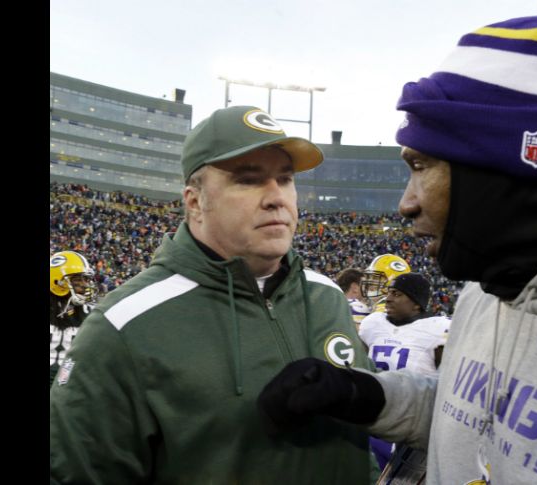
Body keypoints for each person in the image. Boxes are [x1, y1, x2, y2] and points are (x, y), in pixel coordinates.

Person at [257, 1, 537, 484]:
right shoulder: (485, 293)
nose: (405, 203)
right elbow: (471, 417)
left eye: (421, 166)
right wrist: (367, 396)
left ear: (508, 168)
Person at [50, 105, 376, 484]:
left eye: (285, 179)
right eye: (249, 180)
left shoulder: (326, 297)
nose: (277, 198)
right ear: (194, 202)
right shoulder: (124, 325)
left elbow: (358, 442)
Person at [358, 272, 451, 470]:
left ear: (416, 303)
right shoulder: (373, 323)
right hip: (371, 412)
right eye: (389, 292)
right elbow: (360, 363)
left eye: (397, 294)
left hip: (407, 422)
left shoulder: (438, 329)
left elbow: (447, 380)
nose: (389, 298)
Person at [50, 250, 97, 389]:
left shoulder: (92, 313)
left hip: (71, 389)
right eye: (77, 280)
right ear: (57, 282)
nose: (85, 285)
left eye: (86, 279)